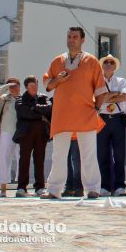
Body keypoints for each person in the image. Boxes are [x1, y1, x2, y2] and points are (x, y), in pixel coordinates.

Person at [41, 27, 107, 199]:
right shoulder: (57, 61)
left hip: (86, 113)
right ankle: (54, 190)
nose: (71, 40)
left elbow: (100, 90)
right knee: (59, 155)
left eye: (75, 37)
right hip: (62, 114)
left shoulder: (92, 61)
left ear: (82, 40)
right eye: (69, 36)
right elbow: (48, 85)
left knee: (89, 154)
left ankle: (93, 189)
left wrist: (97, 109)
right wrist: (58, 80)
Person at [14, 76, 52, 197]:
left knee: (39, 159)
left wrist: (34, 108)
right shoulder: (20, 99)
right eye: (31, 85)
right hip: (26, 133)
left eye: (35, 84)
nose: (34, 87)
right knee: (24, 159)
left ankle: (40, 187)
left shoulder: (43, 97)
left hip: (41, 133)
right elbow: (23, 112)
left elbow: (49, 109)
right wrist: (40, 114)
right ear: (26, 87)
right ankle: (21, 187)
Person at [97, 54, 126, 197]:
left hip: (117, 119)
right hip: (101, 119)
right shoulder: (97, 80)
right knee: (102, 154)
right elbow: (96, 99)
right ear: (102, 65)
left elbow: (123, 97)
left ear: (115, 66)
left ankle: (120, 185)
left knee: (119, 155)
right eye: (106, 62)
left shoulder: (121, 80)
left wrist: (106, 97)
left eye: (111, 62)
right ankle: (105, 186)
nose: (108, 64)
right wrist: (112, 95)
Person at [0, 78, 22, 197]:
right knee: (4, 159)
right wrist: (6, 86)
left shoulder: (24, 99)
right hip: (6, 131)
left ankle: (21, 187)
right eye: (12, 86)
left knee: (22, 159)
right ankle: (3, 189)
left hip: (21, 132)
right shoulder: (4, 99)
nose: (15, 88)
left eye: (17, 86)